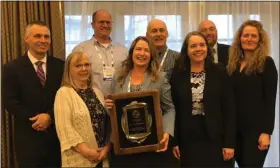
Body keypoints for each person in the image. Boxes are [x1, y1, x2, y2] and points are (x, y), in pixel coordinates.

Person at [105, 36, 175, 167]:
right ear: (132, 53)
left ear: (151, 55)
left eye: (146, 50)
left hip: (151, 145)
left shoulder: (160, 78)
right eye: (138, 49)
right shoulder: (119, 77)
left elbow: (169, 108)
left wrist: (166, 132)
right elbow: (113, 112)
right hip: (124, 145)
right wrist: (108, 107)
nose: (142, 53)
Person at [2, 20, 63, 167]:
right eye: (38, 36)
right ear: (26, 39)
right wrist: (37, 120)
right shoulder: (11, 68)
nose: (43, 40)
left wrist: (49, 117)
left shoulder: (61, 66)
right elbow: (10, 102)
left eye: (46, 37)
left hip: (57, 138)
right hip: (28, 139)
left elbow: (67, 98)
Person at [171, 31, 235, 167]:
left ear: (207, 48)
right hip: (187, 139)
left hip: (216, 137)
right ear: (186, 50)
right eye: (193, 46)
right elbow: (174, 110)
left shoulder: (220, 71)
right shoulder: (177, 74)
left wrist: (229, 143)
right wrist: (174, 141)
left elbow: (229, 109)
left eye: (202, 45)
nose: (198, 49)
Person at [227, 20, 278, 167]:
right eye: (245, 35)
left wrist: (266, 132)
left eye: (253, 36)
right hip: (234, 130)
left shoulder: (266, 63)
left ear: (260, 40)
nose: (249, 39)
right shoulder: (232, 64)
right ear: (239, 39)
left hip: (256, 132)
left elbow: (270, 100)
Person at [54, 52, 111, 167]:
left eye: (87, 64)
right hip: (80, 159)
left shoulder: (97, 92)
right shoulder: (63, 93)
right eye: (78, 65)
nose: (84, 68)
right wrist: (86, 152)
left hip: (102, 158)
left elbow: (106, 124)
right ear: (69, 70)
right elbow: (65, 128)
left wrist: (106, 148)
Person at [146, 18, 180, 166]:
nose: (158, 34)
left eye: (161, 30)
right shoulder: (141, 58)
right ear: (147, 35)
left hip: (171, 117)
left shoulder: (179, 58)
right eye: (154, 31)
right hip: (146, 119)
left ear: (167, 34)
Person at [72, 9, 128, 97]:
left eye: (108, 22)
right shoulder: (81, 50)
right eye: (101, 22)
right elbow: (74, 79)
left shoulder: (124, 51)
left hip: (118, 103)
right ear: (92, 25)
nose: (105, 25)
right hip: (92, 104)